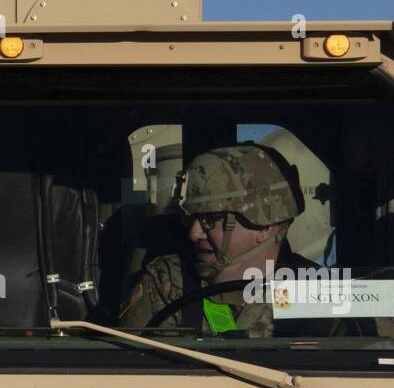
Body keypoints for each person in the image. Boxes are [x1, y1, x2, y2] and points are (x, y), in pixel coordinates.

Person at [118, 142, 315, 338]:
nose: (194, 233)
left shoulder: (316, 293)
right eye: (190, 218)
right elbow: (124, 364)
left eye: (210, 220)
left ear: (265, 226)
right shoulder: (166, 285)